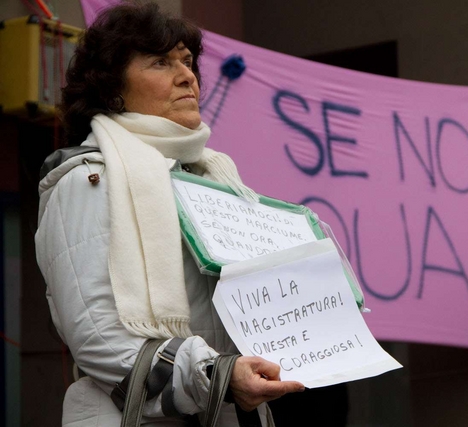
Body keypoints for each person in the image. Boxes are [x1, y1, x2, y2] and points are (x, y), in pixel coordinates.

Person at [34, 3, 304, 426]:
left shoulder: (213, 180)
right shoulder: (86, 181)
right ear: (111, 89)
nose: (187, 76)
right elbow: (100, 338)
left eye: (187, 61)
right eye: (161, 62)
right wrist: (215, 377)